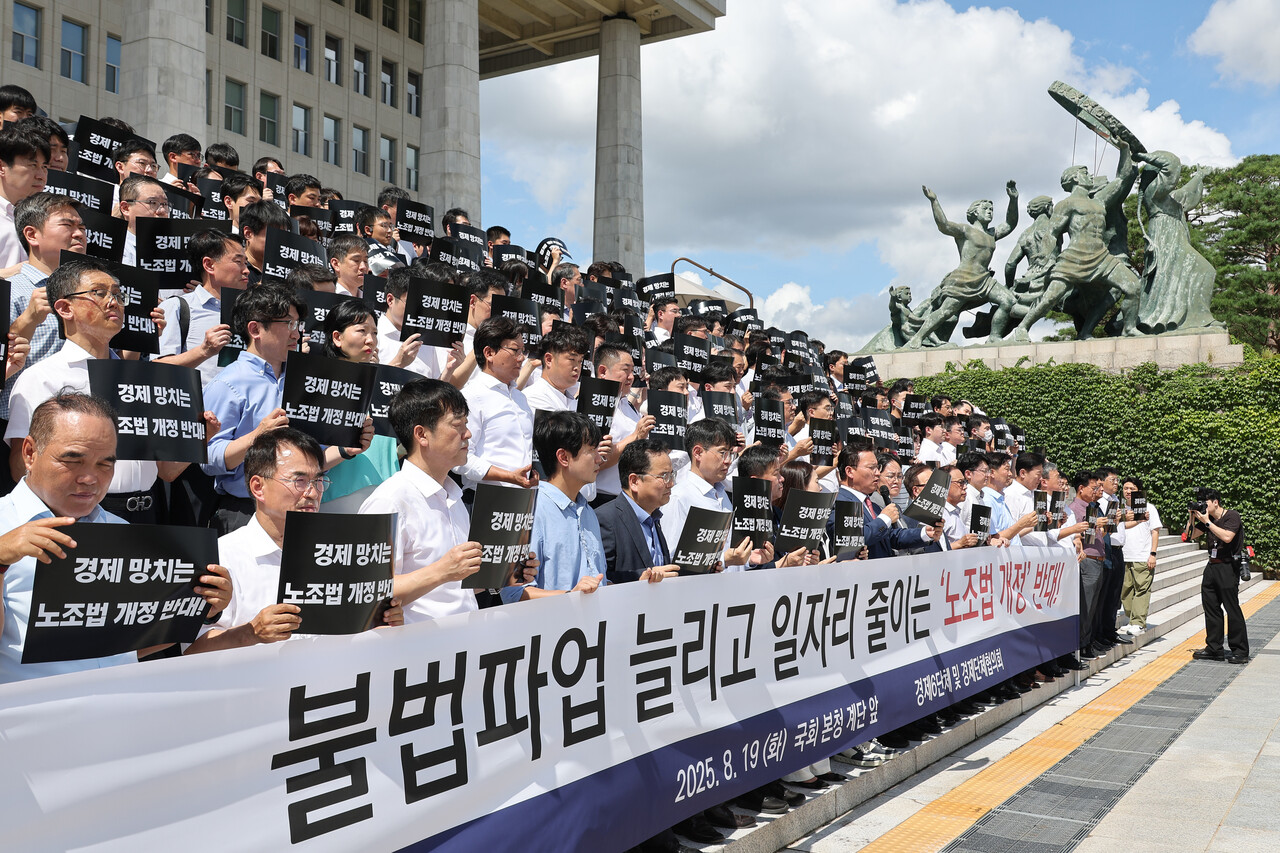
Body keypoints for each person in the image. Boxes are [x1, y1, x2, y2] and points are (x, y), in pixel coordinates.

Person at [0, 392, 230, 681]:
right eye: (73, 460)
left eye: (105, 464)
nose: (90, 478)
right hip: (27, 714)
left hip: (115, 709)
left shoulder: (123, 532)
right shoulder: (3, 527)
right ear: (30, 453)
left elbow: (133, 647)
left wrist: (201, 608)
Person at [5, 258, 188, 523]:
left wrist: (194, 436)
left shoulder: (143, 378)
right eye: (99, 293)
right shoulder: (40, 378)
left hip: (149, 510)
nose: (113, 302)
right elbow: (19, 466)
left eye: (117, 294)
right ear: (65, 308)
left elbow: (167, 472)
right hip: (76, 515)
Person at [186, 428, 401, 653]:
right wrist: (250, 633)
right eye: (299, 480)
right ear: (258, 487)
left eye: (318, 481)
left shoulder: (341, 554)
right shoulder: (221, 558)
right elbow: (189, 652)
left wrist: (383, 621)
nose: (313, 493)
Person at [202, 284, 373, 534]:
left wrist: (346, 450)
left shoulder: (305, 381)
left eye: (298, 325)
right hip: (245, 514)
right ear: (255, 329)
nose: (297, 334)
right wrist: (257, 436)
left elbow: (314, 461)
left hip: (300, 512)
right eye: (289, 324)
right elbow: (208, 460)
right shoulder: (227, 384)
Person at [361, 379, 516, 622]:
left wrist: (508, 573)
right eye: (457, 424)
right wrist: (442, 571)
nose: (468, 433)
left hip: (460, 648)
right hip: (415, 651)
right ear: (422, 434)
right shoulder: (390, 500)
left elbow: (455, 590)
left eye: (466, 422)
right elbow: (367, 592)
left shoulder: (454, 496)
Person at [501, 411, 607, 603]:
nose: (599, 458)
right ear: (563, 457)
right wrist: (569, 597)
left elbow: (600, 583)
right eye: (591, 450)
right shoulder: (531, 510)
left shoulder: (588, 512)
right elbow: (513, 594)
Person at [5, 192, 87, 418]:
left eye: (82, 226)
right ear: (32, 235)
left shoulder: (95, 294)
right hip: (20, 423)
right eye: (67, 225)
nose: (79, 233)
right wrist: (27, 320)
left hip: (79, 422)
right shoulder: (9, 291)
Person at [319, 300, 400, 512]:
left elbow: (390, 449)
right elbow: (306, 459)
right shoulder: (319, 386)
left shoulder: (382, 387)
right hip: (335, 500)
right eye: (362, 331)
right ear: (337, 337)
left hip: (386, 495)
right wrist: (345, 451)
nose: (370, 340)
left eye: (374, 332)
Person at [661, 417, 758, 571]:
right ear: (698, 453)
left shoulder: (722, 495)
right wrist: (723, 560)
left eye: (730, 454)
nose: (727, 461)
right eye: (722, 453)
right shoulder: (678, 498)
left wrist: (749, 559)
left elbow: (729, 555)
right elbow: (671, 560)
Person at [456, 317, 536, 491]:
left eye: (523, 351)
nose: (521, 358)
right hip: (484, 499)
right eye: (515, 350)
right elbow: (459, 458)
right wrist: (508, 477)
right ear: (489, 353)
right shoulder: (471, 396)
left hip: (521, 500)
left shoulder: (520, 398)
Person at [156, 229, 243, 386]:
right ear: (209, 265)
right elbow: (158, 367)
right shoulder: (177, 307)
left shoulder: (251, 312)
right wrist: (204, 351)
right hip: (196, 407)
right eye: (238, 262)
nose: (246, 270)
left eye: (246, 263)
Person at [594, 438, 684, 587]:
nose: (671, 483)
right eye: (664, 477)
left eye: (672, 475)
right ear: (634, 481)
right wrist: (639, 582)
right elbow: (601, 579)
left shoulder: (654, 518)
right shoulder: (606, 519)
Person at [833, 442, 941, 559]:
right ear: (850, 471)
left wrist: (925, 533)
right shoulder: (841, 502)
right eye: (871, 468)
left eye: (877, 468)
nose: (878, 473)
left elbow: (891, 538)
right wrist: (885, 519)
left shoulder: (871, 505)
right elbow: (852, 539)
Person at [1188, 488, 1248, 664]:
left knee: (1232, 608)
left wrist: (1207, 522)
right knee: (1211, 608)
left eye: (1205, 503)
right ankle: (1214, 648)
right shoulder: (1207, 518)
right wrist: (1192, 516)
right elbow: (1191, 535)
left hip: (1228, 566)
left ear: (1215, 502)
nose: (1203, 506)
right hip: (1212, 566)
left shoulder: (1232, 516)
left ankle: (1240, 650)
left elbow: (1228, 537)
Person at [591, 343, 654, 502]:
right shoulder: (594, 406)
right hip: (603, 498)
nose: (631, 377)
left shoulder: (628, 406)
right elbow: (595, 461)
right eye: (625, 370)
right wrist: (635, 436)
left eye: (633, 371)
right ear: (603, 371)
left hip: (630, 498)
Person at [1068, 470, 1112, 660]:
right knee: (1085, 607)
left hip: (1098, 559)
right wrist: (1094, 525)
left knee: (1093, 607)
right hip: (1087, 560)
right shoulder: (1075, 509)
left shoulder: (1091, 507)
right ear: (1080, 488)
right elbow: (1075, 535)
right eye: (1093, 488)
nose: (1096, 491)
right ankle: (1081, 645)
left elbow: (1096, 534)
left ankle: (1088, 642)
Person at [0, 125, 49, 267]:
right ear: (1, 167)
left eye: (44, 167)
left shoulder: (45, 219)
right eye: (33, 165)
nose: (41, 176)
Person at [1119, 476, 1161, 635]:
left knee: (1142, 589)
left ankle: (1139, 623)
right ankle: (1131, 619)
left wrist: (1153, 554)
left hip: (1142, 555)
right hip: (1124, 555)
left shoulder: (1149, 507)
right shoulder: (1119, 508)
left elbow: (1155, 532)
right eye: (1125, 488)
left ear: (1139, 491)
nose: (1128, 491)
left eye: (1132, 489)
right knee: (1126, 591)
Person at [117, 175, 170, 266]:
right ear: (126, 208)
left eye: (165, 204)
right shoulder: (114, 248)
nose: (162, 211)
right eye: (153, 203)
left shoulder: (178, 249)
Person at [239, 199, 291, 285]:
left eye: (283, 236)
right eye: (273, 235)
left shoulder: (286, 272)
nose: (280, 241)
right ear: (248, 233)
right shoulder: (236, 272)